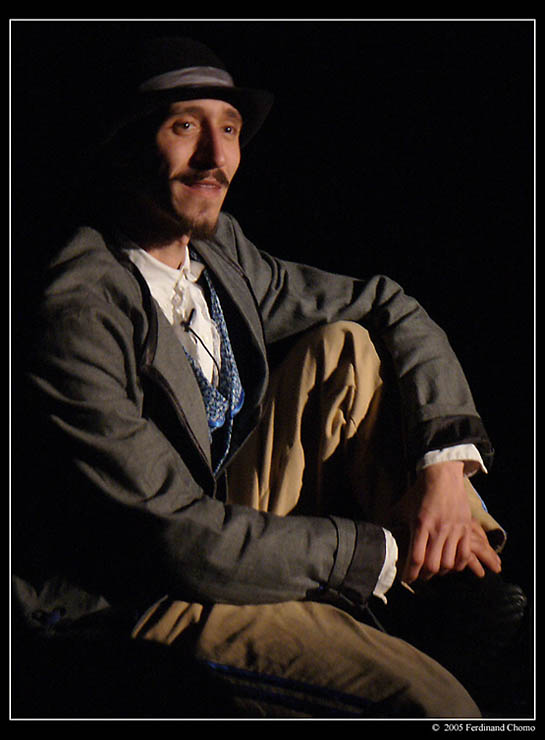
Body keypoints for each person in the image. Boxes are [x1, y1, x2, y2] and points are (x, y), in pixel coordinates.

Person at [12, 36, 517, 719]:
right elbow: (172, 536)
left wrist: (443, 475)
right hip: (140, 590)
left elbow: (386, 302)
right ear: (122, 143)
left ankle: (457, 567)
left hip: (224, 515)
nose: (215, 158)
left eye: (229, 130)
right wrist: (376, 552)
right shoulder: (79, 309)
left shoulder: (218, 251)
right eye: (184, 126)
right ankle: (417, 577)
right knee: (434, 706)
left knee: (345, 348)